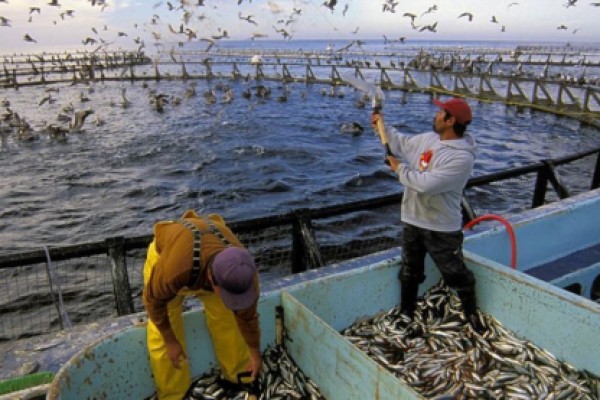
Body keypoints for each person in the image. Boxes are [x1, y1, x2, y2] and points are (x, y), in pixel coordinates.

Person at [371, 97, 484, 333]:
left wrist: (398, 168)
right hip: (413, 220)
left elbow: (427, 184)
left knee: (455, 273)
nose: (436, 115)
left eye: (441, 112)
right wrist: (382, 126)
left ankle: (472, 316)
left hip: (442, 227)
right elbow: (401, 143)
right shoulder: (429, 139)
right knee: (410, 271)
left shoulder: (462, 157)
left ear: (451, 120)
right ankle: (406, 313)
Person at [142, 210, 261, 400]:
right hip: (170, 255)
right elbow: (153, 302)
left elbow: (247, 317)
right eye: (228, 294)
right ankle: (173, 395)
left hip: (208, 256)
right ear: (211, 281)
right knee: (163, 333)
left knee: (228, 320)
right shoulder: (174, 269)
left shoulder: (244, 273)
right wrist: (171, 341)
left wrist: (255, 353)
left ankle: (238, 376)